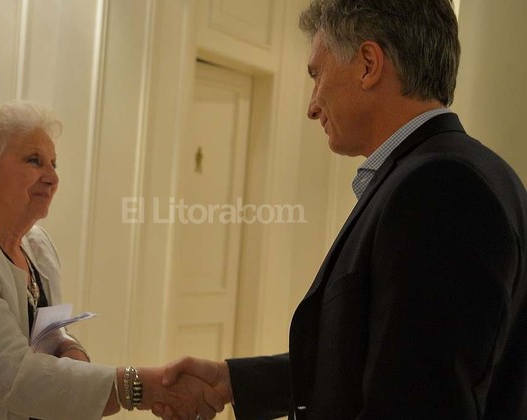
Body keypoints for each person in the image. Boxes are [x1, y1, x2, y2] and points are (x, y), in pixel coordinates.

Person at [155, 0, 527, 419]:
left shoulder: (441, 188)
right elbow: (379, 356)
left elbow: (418, 400)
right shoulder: (452, 172)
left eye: (317, 75)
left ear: (368, 64)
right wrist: (234, 381)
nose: (312, 106)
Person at [0, 102, 223, 420]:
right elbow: (14, 377)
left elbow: (49, 332)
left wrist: (69, 348)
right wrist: (141, 387)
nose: (52, 177)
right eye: (34, 160)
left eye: (54, 163)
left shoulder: (37, 246)